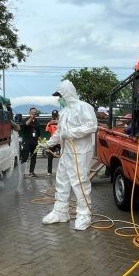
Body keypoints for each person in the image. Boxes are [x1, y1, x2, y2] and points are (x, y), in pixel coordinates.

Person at [41, 80, 98, 231]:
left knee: (79, 182)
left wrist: (71, 133)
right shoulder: (64, 111)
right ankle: (61, 212)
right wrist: (48, 143)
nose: (60, 98)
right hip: (66, 151)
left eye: (60, 95)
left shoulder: (84, 107)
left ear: (67, 93)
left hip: (80, 151)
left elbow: (91, 126)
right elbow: (60, 132)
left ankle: (84, 215)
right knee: (62, 180)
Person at [20, 107, 42, 177]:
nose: (34, 113)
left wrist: (41, 143)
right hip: (27, 142)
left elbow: (38, 134)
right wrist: (31, 118)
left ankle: (31, 172)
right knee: (24, 158)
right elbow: (25, 124)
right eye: (32, 112)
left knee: (34, 158)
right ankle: (22, 173)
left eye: (35, 112)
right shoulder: (26, 119)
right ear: (29, 113)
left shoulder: (37, 121)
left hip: (34, 143)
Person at [45, 110, 60, 176]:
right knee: (50, 156)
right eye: (54, 115)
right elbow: (47, 130)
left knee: (64, 156)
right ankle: (49, 172)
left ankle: (64, 172)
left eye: (56, 115)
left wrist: (58, 122)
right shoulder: (50, 122)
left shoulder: (61, 121)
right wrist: (50, 123)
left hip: (60, 142)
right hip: (53, 142)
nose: (55, 116)